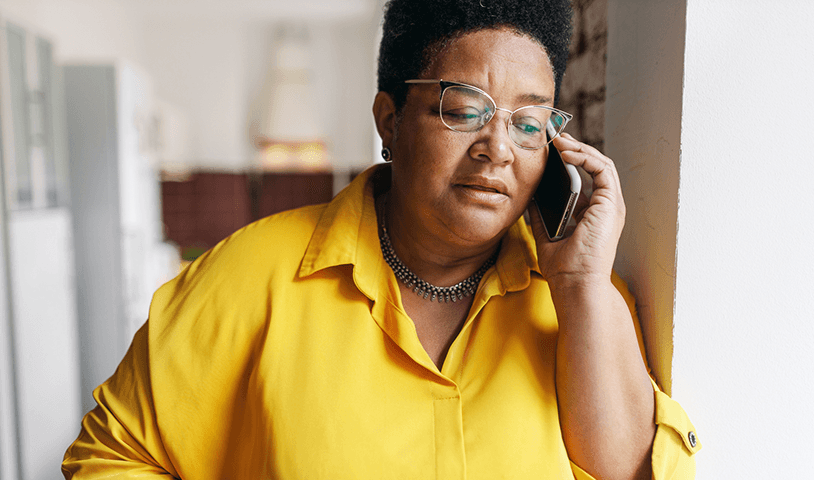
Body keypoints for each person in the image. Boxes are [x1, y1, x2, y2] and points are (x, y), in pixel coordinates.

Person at [63, 0, 700, 478]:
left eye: (529, 122)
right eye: (463, 109)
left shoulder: (584, 303)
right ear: (389, 123)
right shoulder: (248, 278)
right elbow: (110, 455)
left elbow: (633, 474)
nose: (498, 148)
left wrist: (581, 286)